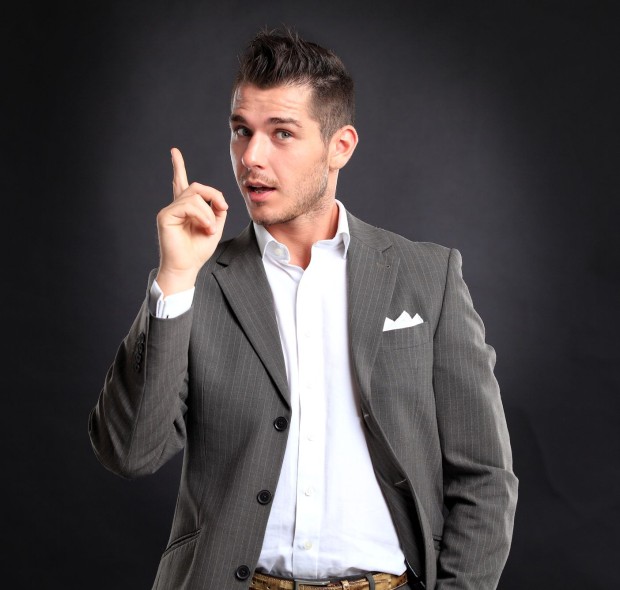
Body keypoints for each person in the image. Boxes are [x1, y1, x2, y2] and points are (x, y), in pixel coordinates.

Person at [89, 28, 517, 590]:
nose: (251, 157)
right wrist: (174, 278)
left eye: (282, 133)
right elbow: (129, 452)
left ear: (341, 146)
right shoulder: (198, 280)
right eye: (241, 131)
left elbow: (484, 477)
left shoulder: (427, 277)